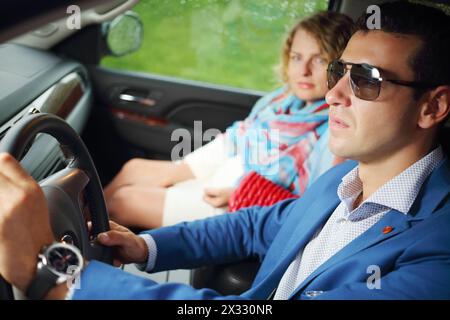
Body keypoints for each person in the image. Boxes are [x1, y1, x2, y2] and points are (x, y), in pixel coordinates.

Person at [1, 1, 450, 300]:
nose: (333, 93)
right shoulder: (345, 180)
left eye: (366, 80)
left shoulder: (438, 254)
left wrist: (60, 276)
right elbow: (256, 227)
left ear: (432, 106)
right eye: (341, 71)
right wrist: (143, 246)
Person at [103, 11, 354, 229]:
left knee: (123, 202)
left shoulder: (333, 128)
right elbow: (238, 136)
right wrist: (183, 170)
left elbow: (312, 206)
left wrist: (240, 193)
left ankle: (76, 248)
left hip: (241, 206)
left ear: (341, 67)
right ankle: (73, 230)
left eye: (320, 60)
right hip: (225, 170)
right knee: (133, 168)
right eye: (297, 57)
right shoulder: (282, 100)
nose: (304, 70)